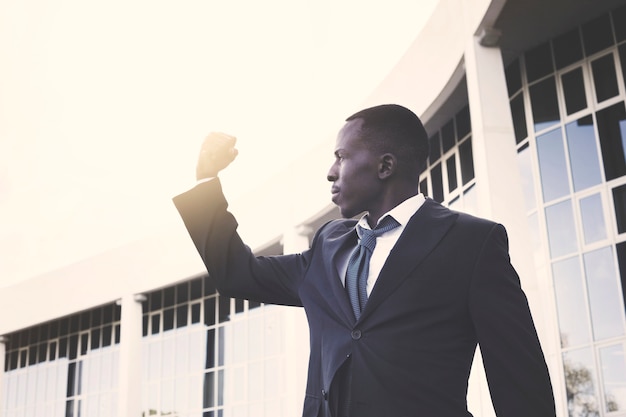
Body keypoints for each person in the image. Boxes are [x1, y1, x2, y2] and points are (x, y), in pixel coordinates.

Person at [173, 104, 556, 417]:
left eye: (341, 157)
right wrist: (206, 181)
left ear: (384, 166)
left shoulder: (472, 243)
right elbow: (238, 276)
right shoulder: (327, 246)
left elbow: (519, 383)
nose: (330, 172)